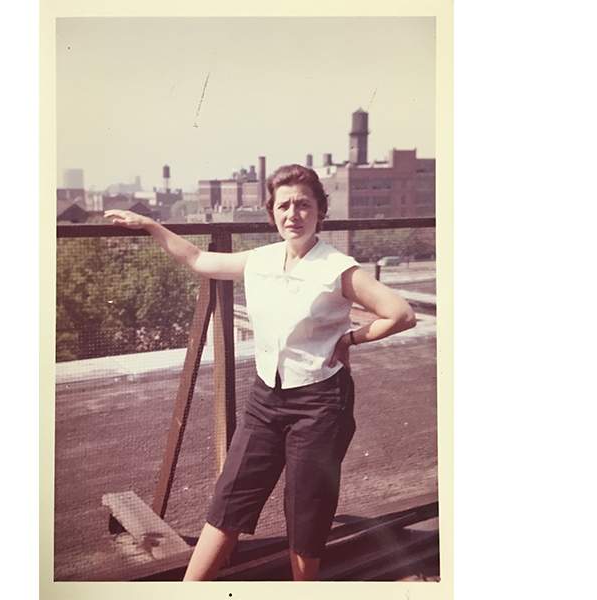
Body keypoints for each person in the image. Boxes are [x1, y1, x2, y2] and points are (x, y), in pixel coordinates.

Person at [104, 164, 416, 581]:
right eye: (284, 205)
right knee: (230, 498)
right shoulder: (261, 259)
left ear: (320, 211)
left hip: (321, 403)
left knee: (306, 511)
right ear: (272, 213)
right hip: (266, 399)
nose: (293, 214)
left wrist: (351, 339)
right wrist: (150, 226)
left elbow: (401, 314)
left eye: (304, 205)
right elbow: (198, 259)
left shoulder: (337, 268)